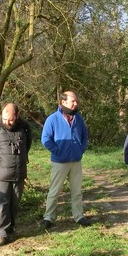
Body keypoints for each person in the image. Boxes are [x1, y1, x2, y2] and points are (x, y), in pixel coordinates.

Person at [0, 103, 33, 245]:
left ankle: (10, 229)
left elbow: (27, 145)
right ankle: (1, 233)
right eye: (5, 119)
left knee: (15, 203)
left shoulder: (25, 127)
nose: (7, 122)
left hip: (19, 172)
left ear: (17, 116)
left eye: (10, 119)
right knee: (2, 203)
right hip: (0, 174)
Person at [40, 91, 90, 229]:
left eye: (76, 101)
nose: (75, 103)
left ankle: (79, 216)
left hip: (76, 160)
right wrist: (58, 151)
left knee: (77, 191)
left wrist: (81, 149)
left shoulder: (78, 118)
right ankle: (48, 217)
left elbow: (85, 136)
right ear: (63, 102)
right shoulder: (52, 119)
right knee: (54, 191)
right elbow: (45, 139)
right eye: (72, 101)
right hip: (59, 162)